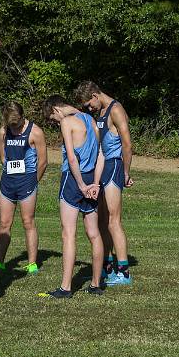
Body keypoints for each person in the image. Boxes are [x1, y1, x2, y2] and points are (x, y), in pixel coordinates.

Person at [40, 95, 105, 298]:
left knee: (68, 233)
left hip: (73, 180)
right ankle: (95, 284)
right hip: (91, 178)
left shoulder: (67, 122)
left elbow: (71, 157)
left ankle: (66, 287)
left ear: (56, 110)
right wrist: (95, 183)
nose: (55, 122)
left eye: (53, 119)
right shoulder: (90, 119)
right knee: (94, 234)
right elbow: (101, 153)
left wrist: (81, 185)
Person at [75, 81, 134, 286]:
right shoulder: (100, 112)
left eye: (89, 105)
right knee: (102, 220)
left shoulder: (115, 110)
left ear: (95, 95)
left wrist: (126, 172)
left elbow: (127, 143)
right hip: (102, 167)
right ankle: (107, 268)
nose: (89, 109)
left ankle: (124, 272)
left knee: (113, 221)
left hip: (114, 166)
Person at [0, 101, 47, 275]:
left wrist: (34, 181)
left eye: (16, 125)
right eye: (11, 125)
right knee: (4, 223)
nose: (14, 128)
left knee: (28, 222)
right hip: (8, 182)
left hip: (27, 183)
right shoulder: (3, 132)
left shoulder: (36, 132)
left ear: (22, 117)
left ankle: (32, 263)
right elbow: (1, 156)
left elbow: (43, 161)